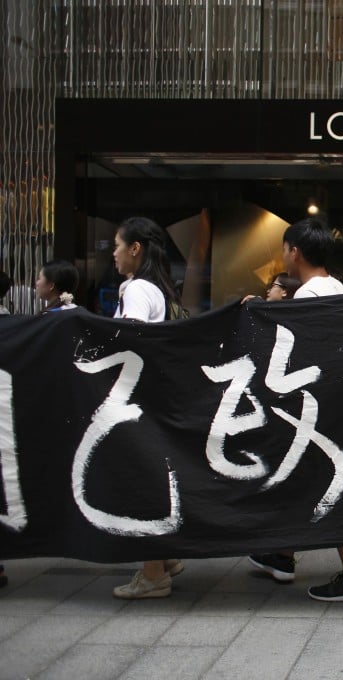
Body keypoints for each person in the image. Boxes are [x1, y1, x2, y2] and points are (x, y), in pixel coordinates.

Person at [245, 218, 343, 602]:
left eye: (284, 248)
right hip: (338, 404)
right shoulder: (337, 288)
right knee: (305, 481)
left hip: (318, 409)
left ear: (294, 251)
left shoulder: (308, 296)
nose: (283, 255)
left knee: (327, 486)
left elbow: (296, 355)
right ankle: (282, 555)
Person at [110, 216, 186, 599]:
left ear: (136, 248)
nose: (114, 253)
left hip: (137, 402)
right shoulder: (161, 290)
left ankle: (153, 574)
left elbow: (132, 342)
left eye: (118, 245)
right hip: (155, 400)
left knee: (144, 484)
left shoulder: (138, 290)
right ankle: (164, 559)